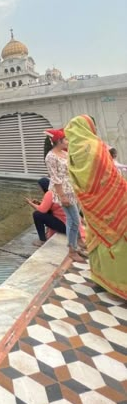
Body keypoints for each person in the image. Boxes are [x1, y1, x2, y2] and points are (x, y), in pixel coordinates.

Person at [66, 115, 127, 300]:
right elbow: (109, 175)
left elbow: (76, 181)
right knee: (116, 240)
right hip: (110, 202)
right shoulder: (96, 147)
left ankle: (99, 280)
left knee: (96, 237)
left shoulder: (72, 151)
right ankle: (120, 284)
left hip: (90, 206)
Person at [44, 128, 86, 263]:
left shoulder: (64, 153)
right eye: (66, 139)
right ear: (58, 141)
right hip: (62, 192)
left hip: (72, 189)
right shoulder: (51, 157)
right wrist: (62, 196)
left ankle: (78, 241)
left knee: (74, 219)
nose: (68, 142)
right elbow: (55, 178)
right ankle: (72, 250)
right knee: (73, 219)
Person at [26, 177, 67, 245]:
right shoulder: (56, 191)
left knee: (37, 215)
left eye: (39, 187)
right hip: (68, 224)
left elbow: (42, 210)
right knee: (43, 213)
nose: (39, 189)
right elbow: (51, 206)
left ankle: (42, 240)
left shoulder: (50, 193)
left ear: (43, 186)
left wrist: (31, 203)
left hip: (64, 226)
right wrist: (39, 203)